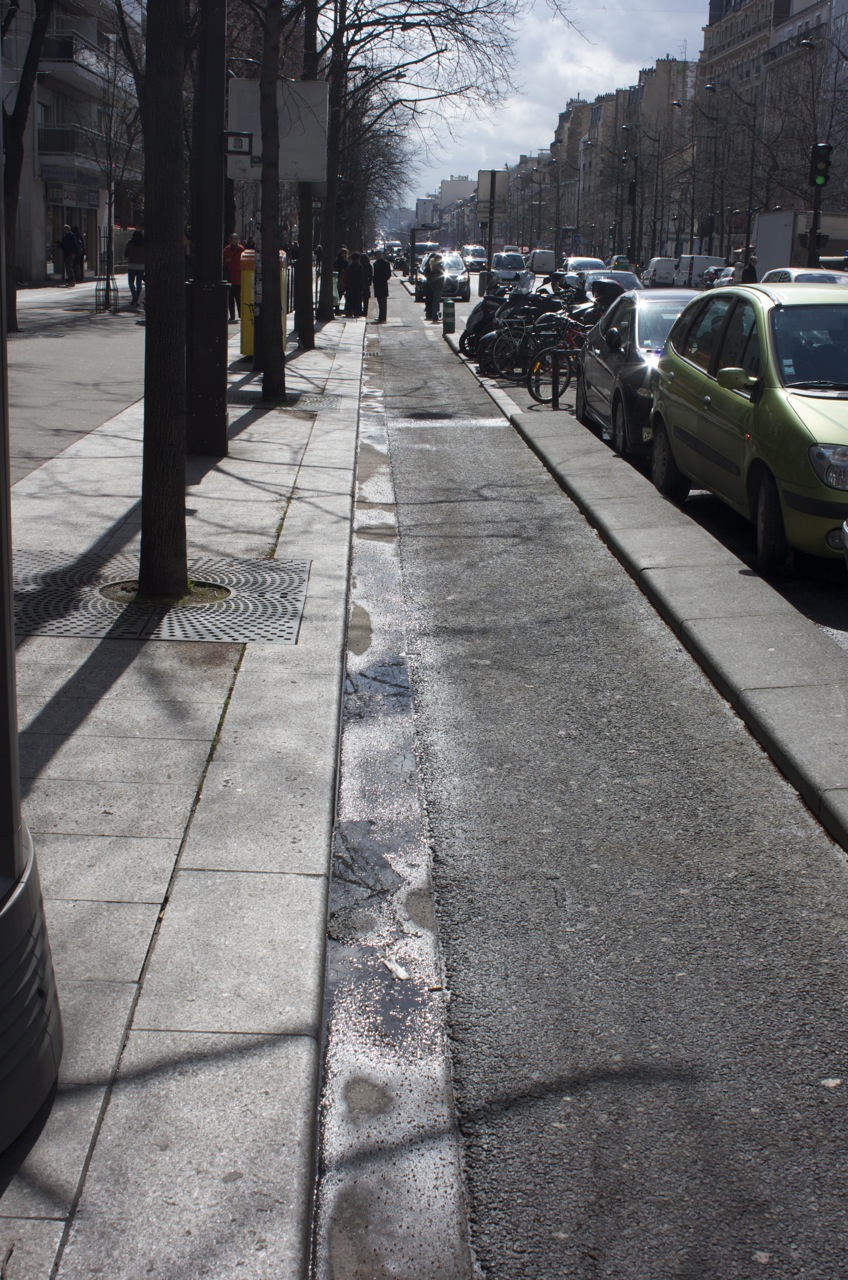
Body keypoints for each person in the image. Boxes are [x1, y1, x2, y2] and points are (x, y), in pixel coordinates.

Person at [222, 232, 245, 322]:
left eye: (235, 239)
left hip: (238, 277)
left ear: (238, 240)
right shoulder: (226, 250)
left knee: (239, 297)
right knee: (230, 298)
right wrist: (226, 261)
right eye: (232, 239)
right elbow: (223, 261)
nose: (234, 241)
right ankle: (232, 315)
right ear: (230, 240)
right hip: (230, 277)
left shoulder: (241, 250)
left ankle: (240, 314)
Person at [125, 229, 145, 307]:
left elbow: (126, 254)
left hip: (132, 265)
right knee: (138, 283)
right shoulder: (144, 244)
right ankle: (138, 298)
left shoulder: (130, 243)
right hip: (141, 266)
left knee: (131, 282)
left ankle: (134, 296)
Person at [423, 250, 445, 321]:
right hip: (437, 285)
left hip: (431, 285)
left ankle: (432, 314)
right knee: (436, 301)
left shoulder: (430, 265)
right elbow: (442, 273)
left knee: (432, 300)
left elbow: (426, 274)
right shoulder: (436, 266)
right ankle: (434, 315)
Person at [343, 250, 365, 317]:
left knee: (349, 300)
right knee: (357, 301)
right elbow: (361, 278)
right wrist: (362, 288)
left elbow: (347, 277)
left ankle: (348, 312)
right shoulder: (359, 267)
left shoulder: (349, 266)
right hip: (357, 287)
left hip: (349, 287)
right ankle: (356, 312)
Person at [371, 249, 391, 323]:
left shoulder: (386, 263)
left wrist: (383, 278)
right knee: (379, 302)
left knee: (383, 302)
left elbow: (388, 274)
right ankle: (380, 316)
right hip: (377, 284)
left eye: (380, 255)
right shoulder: (375, 263)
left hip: (383, 284)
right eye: (377, 255)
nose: (378, 256)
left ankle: (383, 317)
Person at [334, 246, 349, 314]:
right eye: (345, 253)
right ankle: (340, 309)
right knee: (341, 294)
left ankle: (337, 309)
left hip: (338, 278)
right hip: (342, 279)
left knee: (339, 295)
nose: (346, 255)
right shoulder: (344, 262)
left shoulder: (337, 260)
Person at [361, 251, 373, 318]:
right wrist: (369, 282)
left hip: (360, 283)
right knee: (366, 299)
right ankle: (365, 312)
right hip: (366, 283)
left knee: (360, 298)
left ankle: (360, 311)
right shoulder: (369, 265)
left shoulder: (360, 265)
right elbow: (371, 275)